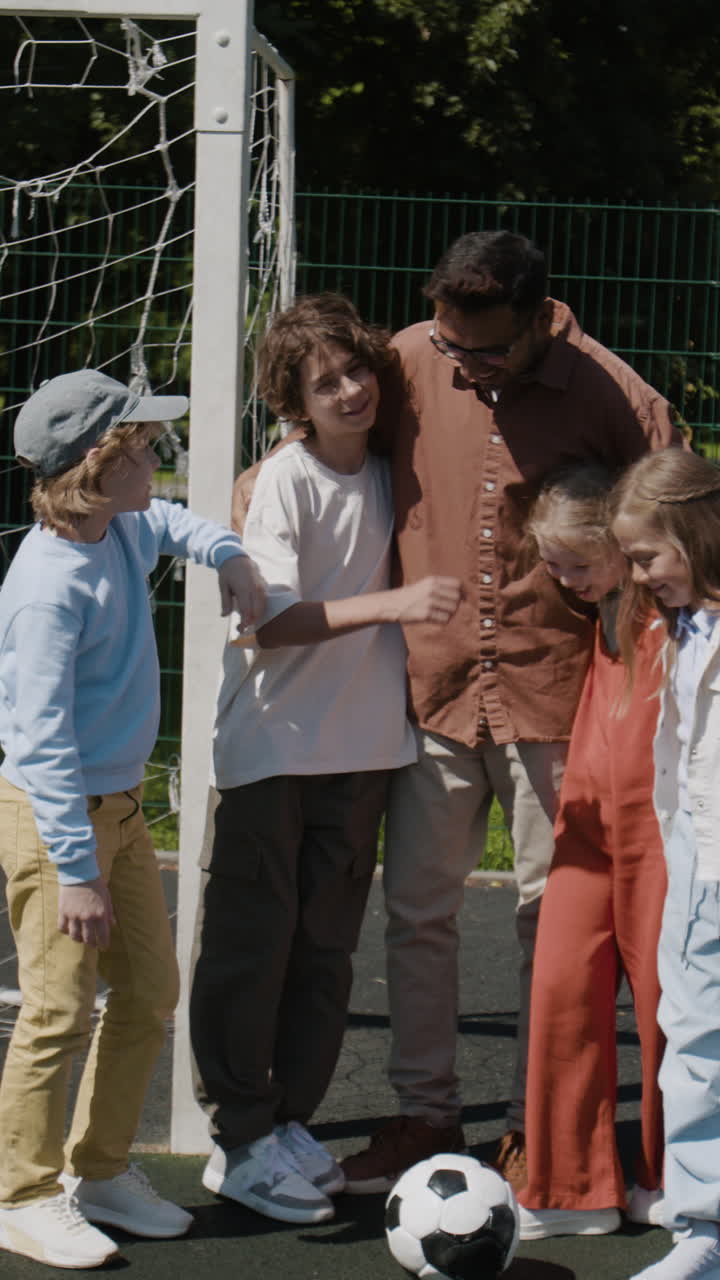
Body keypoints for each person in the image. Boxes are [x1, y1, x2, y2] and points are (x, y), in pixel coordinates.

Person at [318, 230, 681, 1194]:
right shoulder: (405, 359)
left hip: (558, 697)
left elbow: (684, 521)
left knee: (549, 929)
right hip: (430, 691)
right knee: (417, 914)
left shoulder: (616, 394)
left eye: (485, 349)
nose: (464, 364)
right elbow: (320, 440)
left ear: (537, 320)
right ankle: (424, 1116)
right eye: (451, 347)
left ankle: (536, 1127)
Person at [190, 294, 461, 1226]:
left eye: (356, 371)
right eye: (325, 382)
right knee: (251, 950)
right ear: (295, 404)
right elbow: (266, 625)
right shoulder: (283, 481)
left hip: (364, 753)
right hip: (274, 754)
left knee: (325, 955)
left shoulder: (393, 468)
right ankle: (239, 1137)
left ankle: (289, 1122)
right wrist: (395, 604)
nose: (350, 390)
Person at [0, 369, 265, 1270]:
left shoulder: (118, 526)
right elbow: (37, 743)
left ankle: (100, 1172)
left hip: (115, 811)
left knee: (149, 995)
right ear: (94, 464)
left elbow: (178, 526)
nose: (158, 454)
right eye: (142, 445)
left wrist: (231, 556)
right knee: (57, 1009)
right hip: (55, 819)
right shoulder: (48, 586)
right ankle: (23, 1194)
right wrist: (73, 867)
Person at [512, 464, 666, 1242]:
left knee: (667, 1003)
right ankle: (573, 1186)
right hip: (588, 819)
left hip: (658, 827)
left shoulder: (673, 613)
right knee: (562, 985)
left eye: (578, 562)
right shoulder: (604, 609)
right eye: (553, 563)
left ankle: (671, 1176)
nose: (564, 579)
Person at [612, 448, 720, 1280]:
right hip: (699, 851)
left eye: (649, 554)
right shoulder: (685, 622)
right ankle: (703, 1229)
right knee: (693, 1036)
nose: (640, 575)